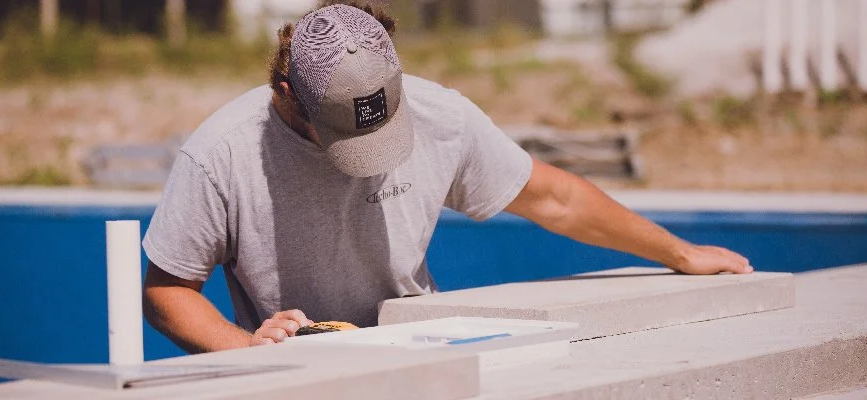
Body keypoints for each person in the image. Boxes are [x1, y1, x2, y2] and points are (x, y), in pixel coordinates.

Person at [142, 2, 752, 353]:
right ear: (287, 95)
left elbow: (556, 199)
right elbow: (166, 290)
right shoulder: (222, 154)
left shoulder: (438, 115)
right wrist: (249, 350)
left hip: (418, 355)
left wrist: (678, 252)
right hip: (297, 369)